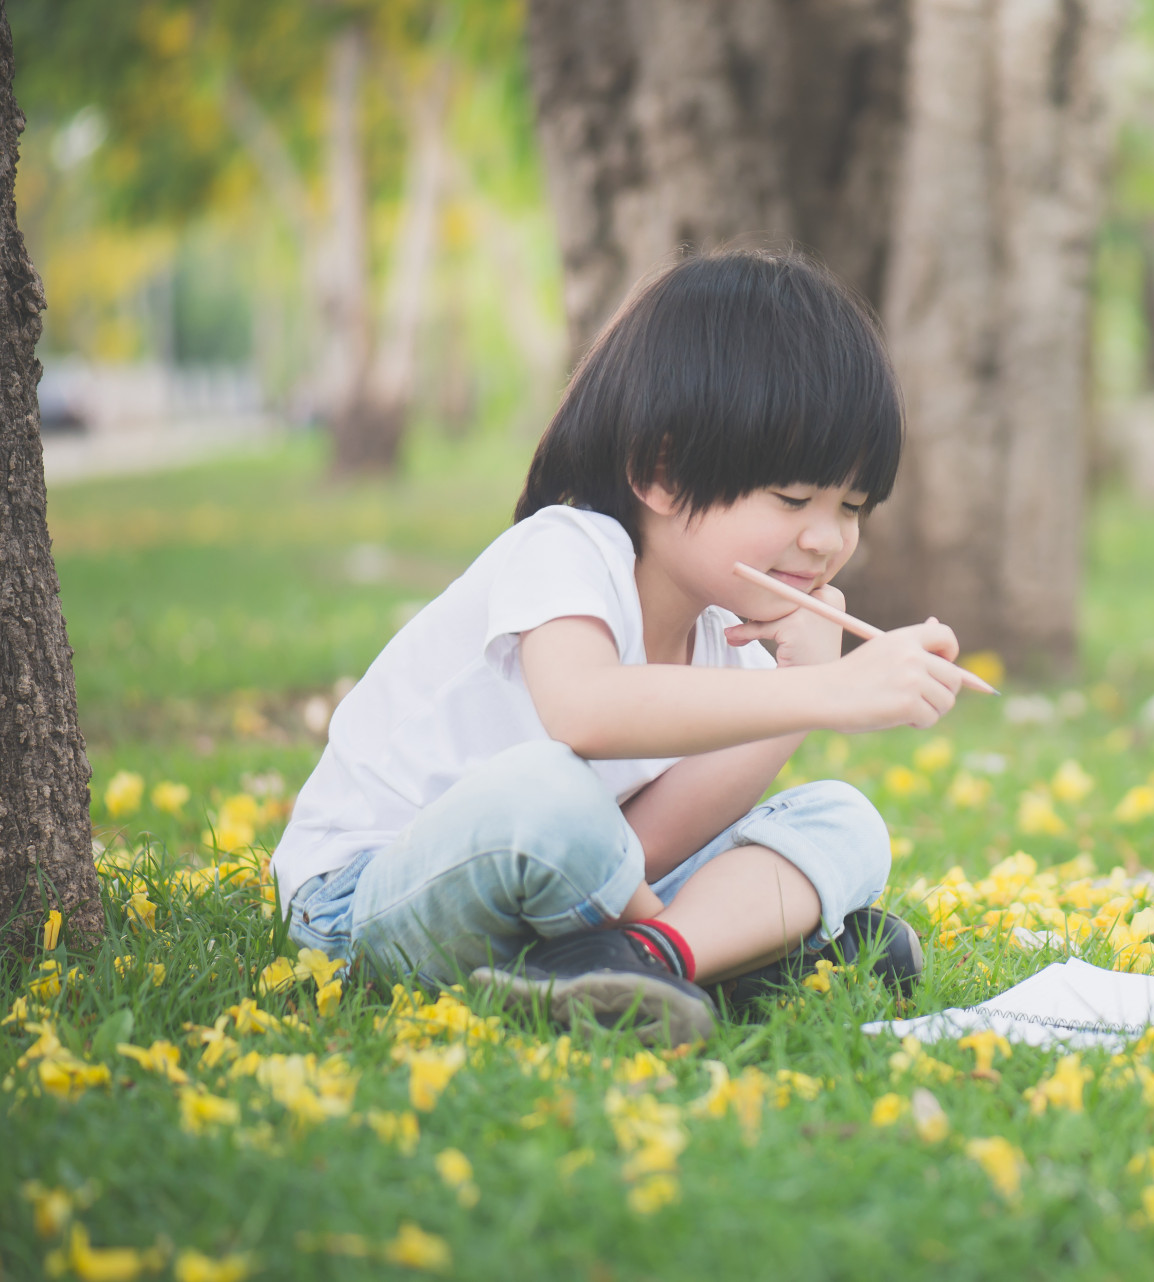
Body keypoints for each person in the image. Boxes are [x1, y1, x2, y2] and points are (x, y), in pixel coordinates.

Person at [269, 248, 965, 1046]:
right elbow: (586, 714)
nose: (826, 538)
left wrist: (806, 675)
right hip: (364, 897)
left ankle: (642, 957)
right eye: (794, 497)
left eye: (852, 507)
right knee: (546, 791)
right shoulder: (564, 548)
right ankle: (737, 955)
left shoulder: (726, 633)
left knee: (845, 821)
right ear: (661, 472)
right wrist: (825, 692)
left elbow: (646, 842)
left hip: (575, 886)